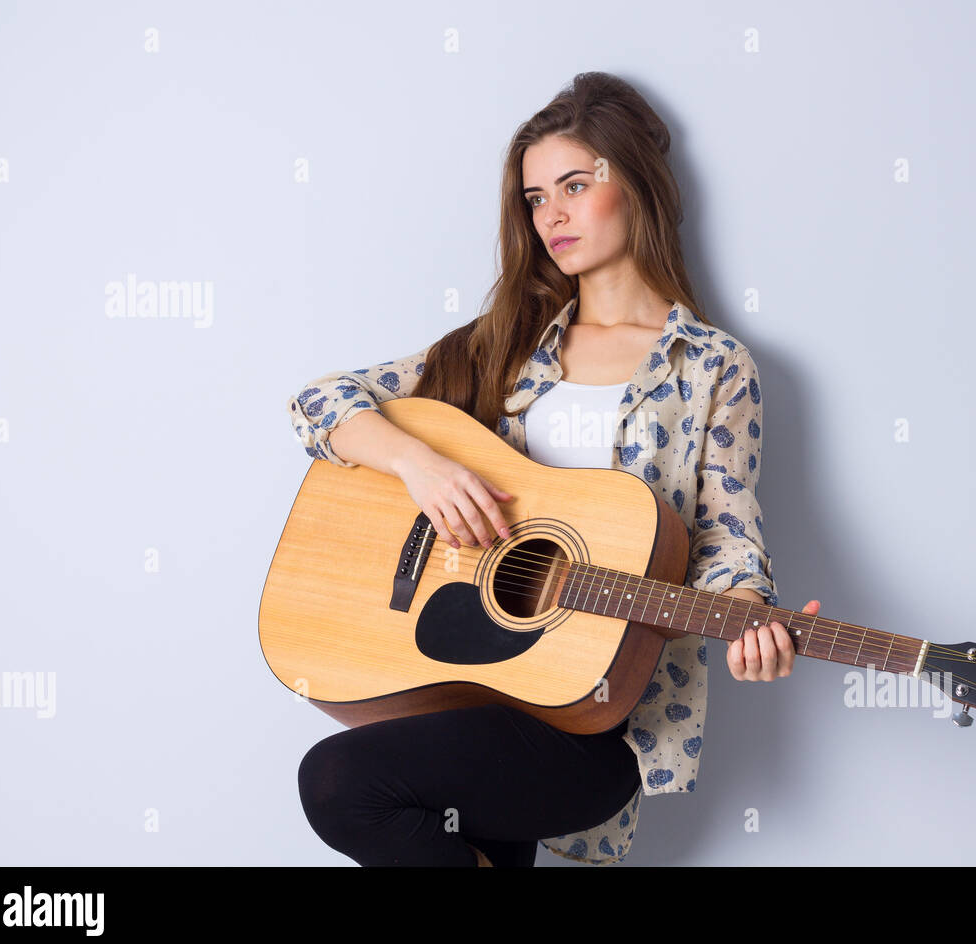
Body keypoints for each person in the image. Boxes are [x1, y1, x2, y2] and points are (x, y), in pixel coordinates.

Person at [287, 71, 821, 867]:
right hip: (471, 678)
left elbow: (728, 534)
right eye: (536, 198)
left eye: (574, 185)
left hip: (596, 717)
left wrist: (747, 614)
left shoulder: (715, 366)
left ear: (636, 185)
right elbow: (317, 402)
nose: (553, 216)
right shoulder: (506, 340)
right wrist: (420, 465)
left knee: (340, 781)